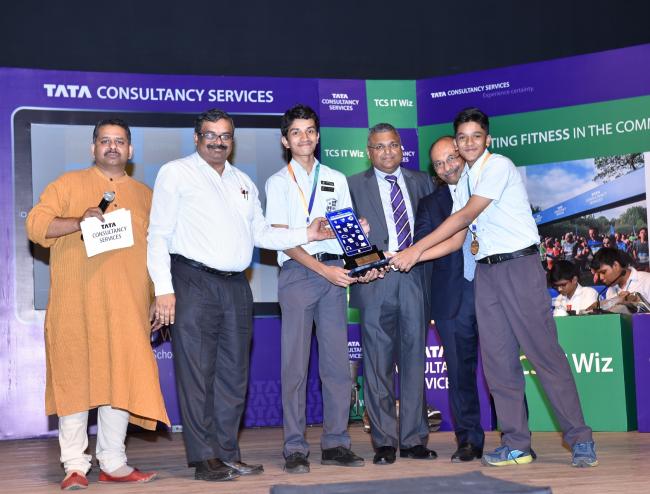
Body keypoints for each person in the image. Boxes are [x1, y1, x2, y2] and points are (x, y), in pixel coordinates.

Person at [391, 107, 597, 468]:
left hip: (519, 266)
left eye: (476, 136)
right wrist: (410, 257)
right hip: (485, 275)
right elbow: (456, 239)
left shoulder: (498, 166)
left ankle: (580, 438)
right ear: (457, 142)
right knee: (498, 363)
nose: (469, 143)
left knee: (544, 355)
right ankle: (516, 444)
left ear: (487, 138)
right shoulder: (464, 182)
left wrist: (415, 249)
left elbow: (466, 216)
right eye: (463, 137)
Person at [147, 109, 334, 482]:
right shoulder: (176, 172)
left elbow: (261, 234)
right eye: (210, 135)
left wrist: (308, 234)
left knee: (234, 375)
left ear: (232, 140)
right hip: (192, 281)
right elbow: (158, 235)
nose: (218, 142)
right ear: (197, 137)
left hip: (235, 286)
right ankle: (204, 458)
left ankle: (227, 453)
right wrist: (163, 289)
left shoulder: (243, 181)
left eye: (225, 136)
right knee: (198, 374)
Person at [26, 119, 169, 490]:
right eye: (105, 140)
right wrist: (78, 220)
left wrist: (156, 297)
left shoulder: (145, 194)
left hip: (128, 307)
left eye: (120, 141)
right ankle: (74, 465)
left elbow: (156, 251)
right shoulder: (67, 184)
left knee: (120, 381)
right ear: (93, 148)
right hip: (76, 306)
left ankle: (113, 462)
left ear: (130, 150)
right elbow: (36, 226)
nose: (112, 146)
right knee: (75, 382)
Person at [264, 104, 366, 474]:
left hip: (334, 274)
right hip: (298, 274)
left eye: (310, 131)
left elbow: (346, 232)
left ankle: (336, 442)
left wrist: (361, 251)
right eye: (296, 132)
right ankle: (294, 447)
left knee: (337, 364)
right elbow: (281, 240)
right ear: (285, 140)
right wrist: (323, 269)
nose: (304, 138)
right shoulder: (278, 182)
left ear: (318, 136)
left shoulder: (336, 178)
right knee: (295, 367)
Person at [347, 123, 436, 465]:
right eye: (379, 146)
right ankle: (384, 441)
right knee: (377, 364)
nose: (387, 152)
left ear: (402, 148)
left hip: (415, 278)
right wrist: (367, 263)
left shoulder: (423, 181)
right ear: (368, 152)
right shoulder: (352, 185)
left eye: (393, 145)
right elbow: (346, 236)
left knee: (414, 362)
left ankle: (413, 439)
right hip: (375, 281)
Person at [414, 136, 484, 462]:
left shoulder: (487, 188)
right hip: (452, 297)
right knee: (459, 374)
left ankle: (516, 437)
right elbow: (422, 246)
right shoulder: (430, 204)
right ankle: (468, 440)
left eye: (451, 158)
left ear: (462, 154)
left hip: (493, 288)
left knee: (504, 370)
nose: (447, 167)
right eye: (439, 164)